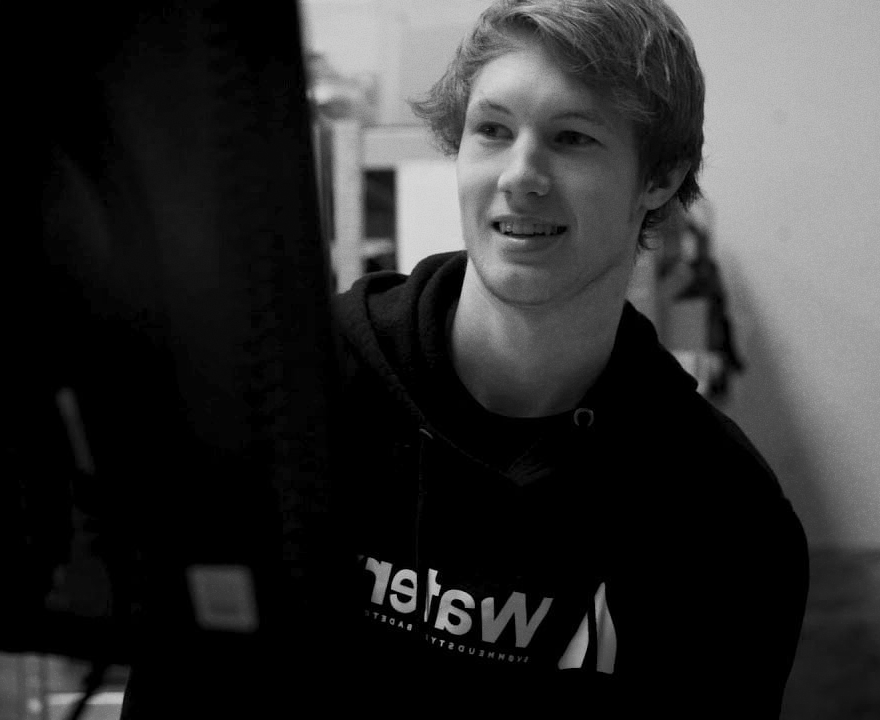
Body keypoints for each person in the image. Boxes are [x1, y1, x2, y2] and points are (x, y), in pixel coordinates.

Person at [332, 0, 809, 715]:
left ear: (660, 178)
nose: (520, 175)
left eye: (573, 137)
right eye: (492, 130)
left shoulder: (725, 517)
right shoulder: (310, 388)